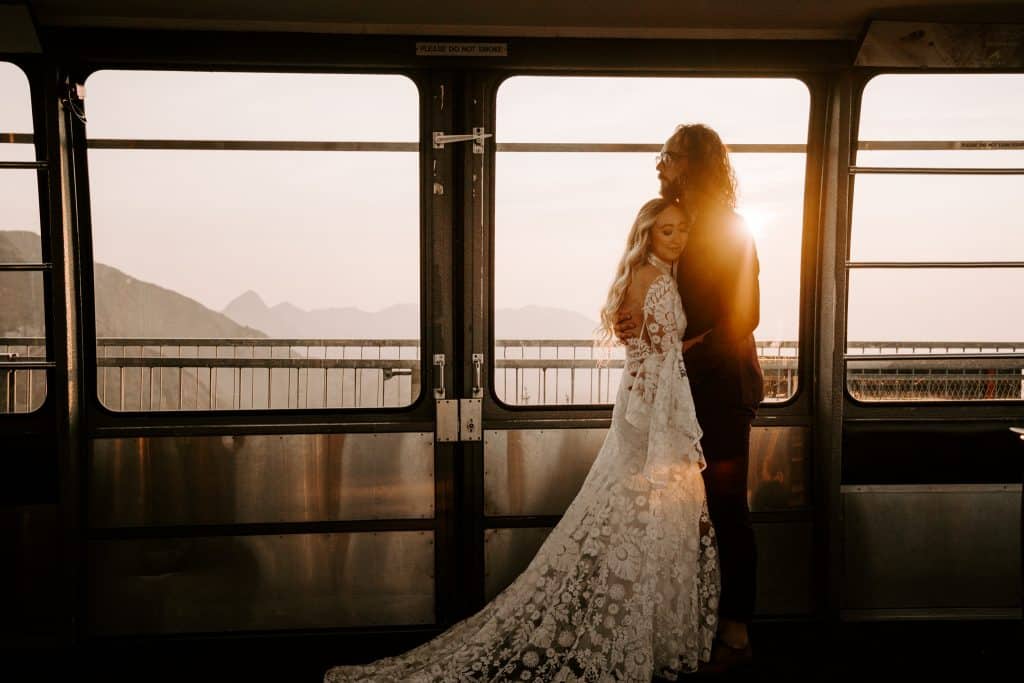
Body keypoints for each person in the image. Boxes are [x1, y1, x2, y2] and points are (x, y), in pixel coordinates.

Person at [325, 198, 719, 682]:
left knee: (631, 527)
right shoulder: (657, 282)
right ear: (647, 235)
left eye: (683, 230)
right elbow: (662, 359)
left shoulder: (642, 274)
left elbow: (643, 347)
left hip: (635, 411)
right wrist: (699, 345)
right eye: (667, 232)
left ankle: (625, 633)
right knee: (645, 528)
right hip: (651, 418)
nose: (678, 240)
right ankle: (629, 638)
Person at [617, 123, 763, 668]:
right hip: (682, 392)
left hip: (723, 390)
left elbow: (745, 316)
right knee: (685, 513)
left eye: (669, 156)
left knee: (726, 509)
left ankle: (736, 629)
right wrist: (631, 314)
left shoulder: (730, 228)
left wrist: (684, 353)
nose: (660, 164)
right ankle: (687, 623)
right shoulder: (677, 222)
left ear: (695, 163)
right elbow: (649, 276)